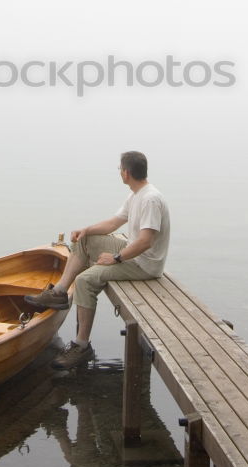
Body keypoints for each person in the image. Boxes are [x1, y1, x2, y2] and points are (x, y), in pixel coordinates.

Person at [25, 151, 171, 370]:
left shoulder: (150, 199)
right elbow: (113, 224)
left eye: (120, 168)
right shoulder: (136, 195)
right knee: (85, 240)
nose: (119, 172)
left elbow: (146, 241)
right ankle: (59, 292)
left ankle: (81, 346)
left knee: (85, 280)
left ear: (126, 172)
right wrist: (86, 230)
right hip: (134, 252)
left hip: (144, 264)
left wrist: (116, 258)